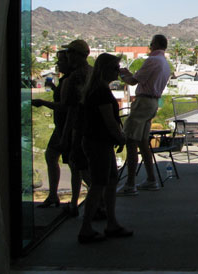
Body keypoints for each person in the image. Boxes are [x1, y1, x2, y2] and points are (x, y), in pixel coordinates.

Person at [77, 53, 131, 243]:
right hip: (99, 142)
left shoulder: (97, 90)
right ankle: (86, 228)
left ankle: (111, 222)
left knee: (109, 181)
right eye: (116, 68)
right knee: (99, 184)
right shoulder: (101, 92)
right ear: (105, 69)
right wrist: (121, 137)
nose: (119, 72)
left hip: (99, 142)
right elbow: (109, 121)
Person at [118, 34, 171, 194]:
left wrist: (121, 74)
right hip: (153, 103)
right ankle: (151, 179)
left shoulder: (152, 60)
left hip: (143, 102)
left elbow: (134, 81)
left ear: (154, 44)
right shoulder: (164, 63)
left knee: (131, 140)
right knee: (142, 142)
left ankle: (130, 184)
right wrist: (130, 75)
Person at [32, 49, 71, 208]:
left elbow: (65, 106)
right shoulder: (66, 81)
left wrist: (43, 102)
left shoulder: (70, 80)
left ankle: (99, 200)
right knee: (52, 156)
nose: (57, 64)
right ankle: (54, 195)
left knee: (76, 165)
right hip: (62, 126)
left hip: (66, 127)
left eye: (61, 60)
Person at [60, 39, 93, 217]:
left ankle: (95, 203)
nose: (67, 56)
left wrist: (66, 135)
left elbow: (70, 108)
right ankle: (76, 203)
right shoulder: (93, 73)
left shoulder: (74, 78)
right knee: (82, 167)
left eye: (70, 52)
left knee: (80, 166)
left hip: (79, 127)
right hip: (92, 126)